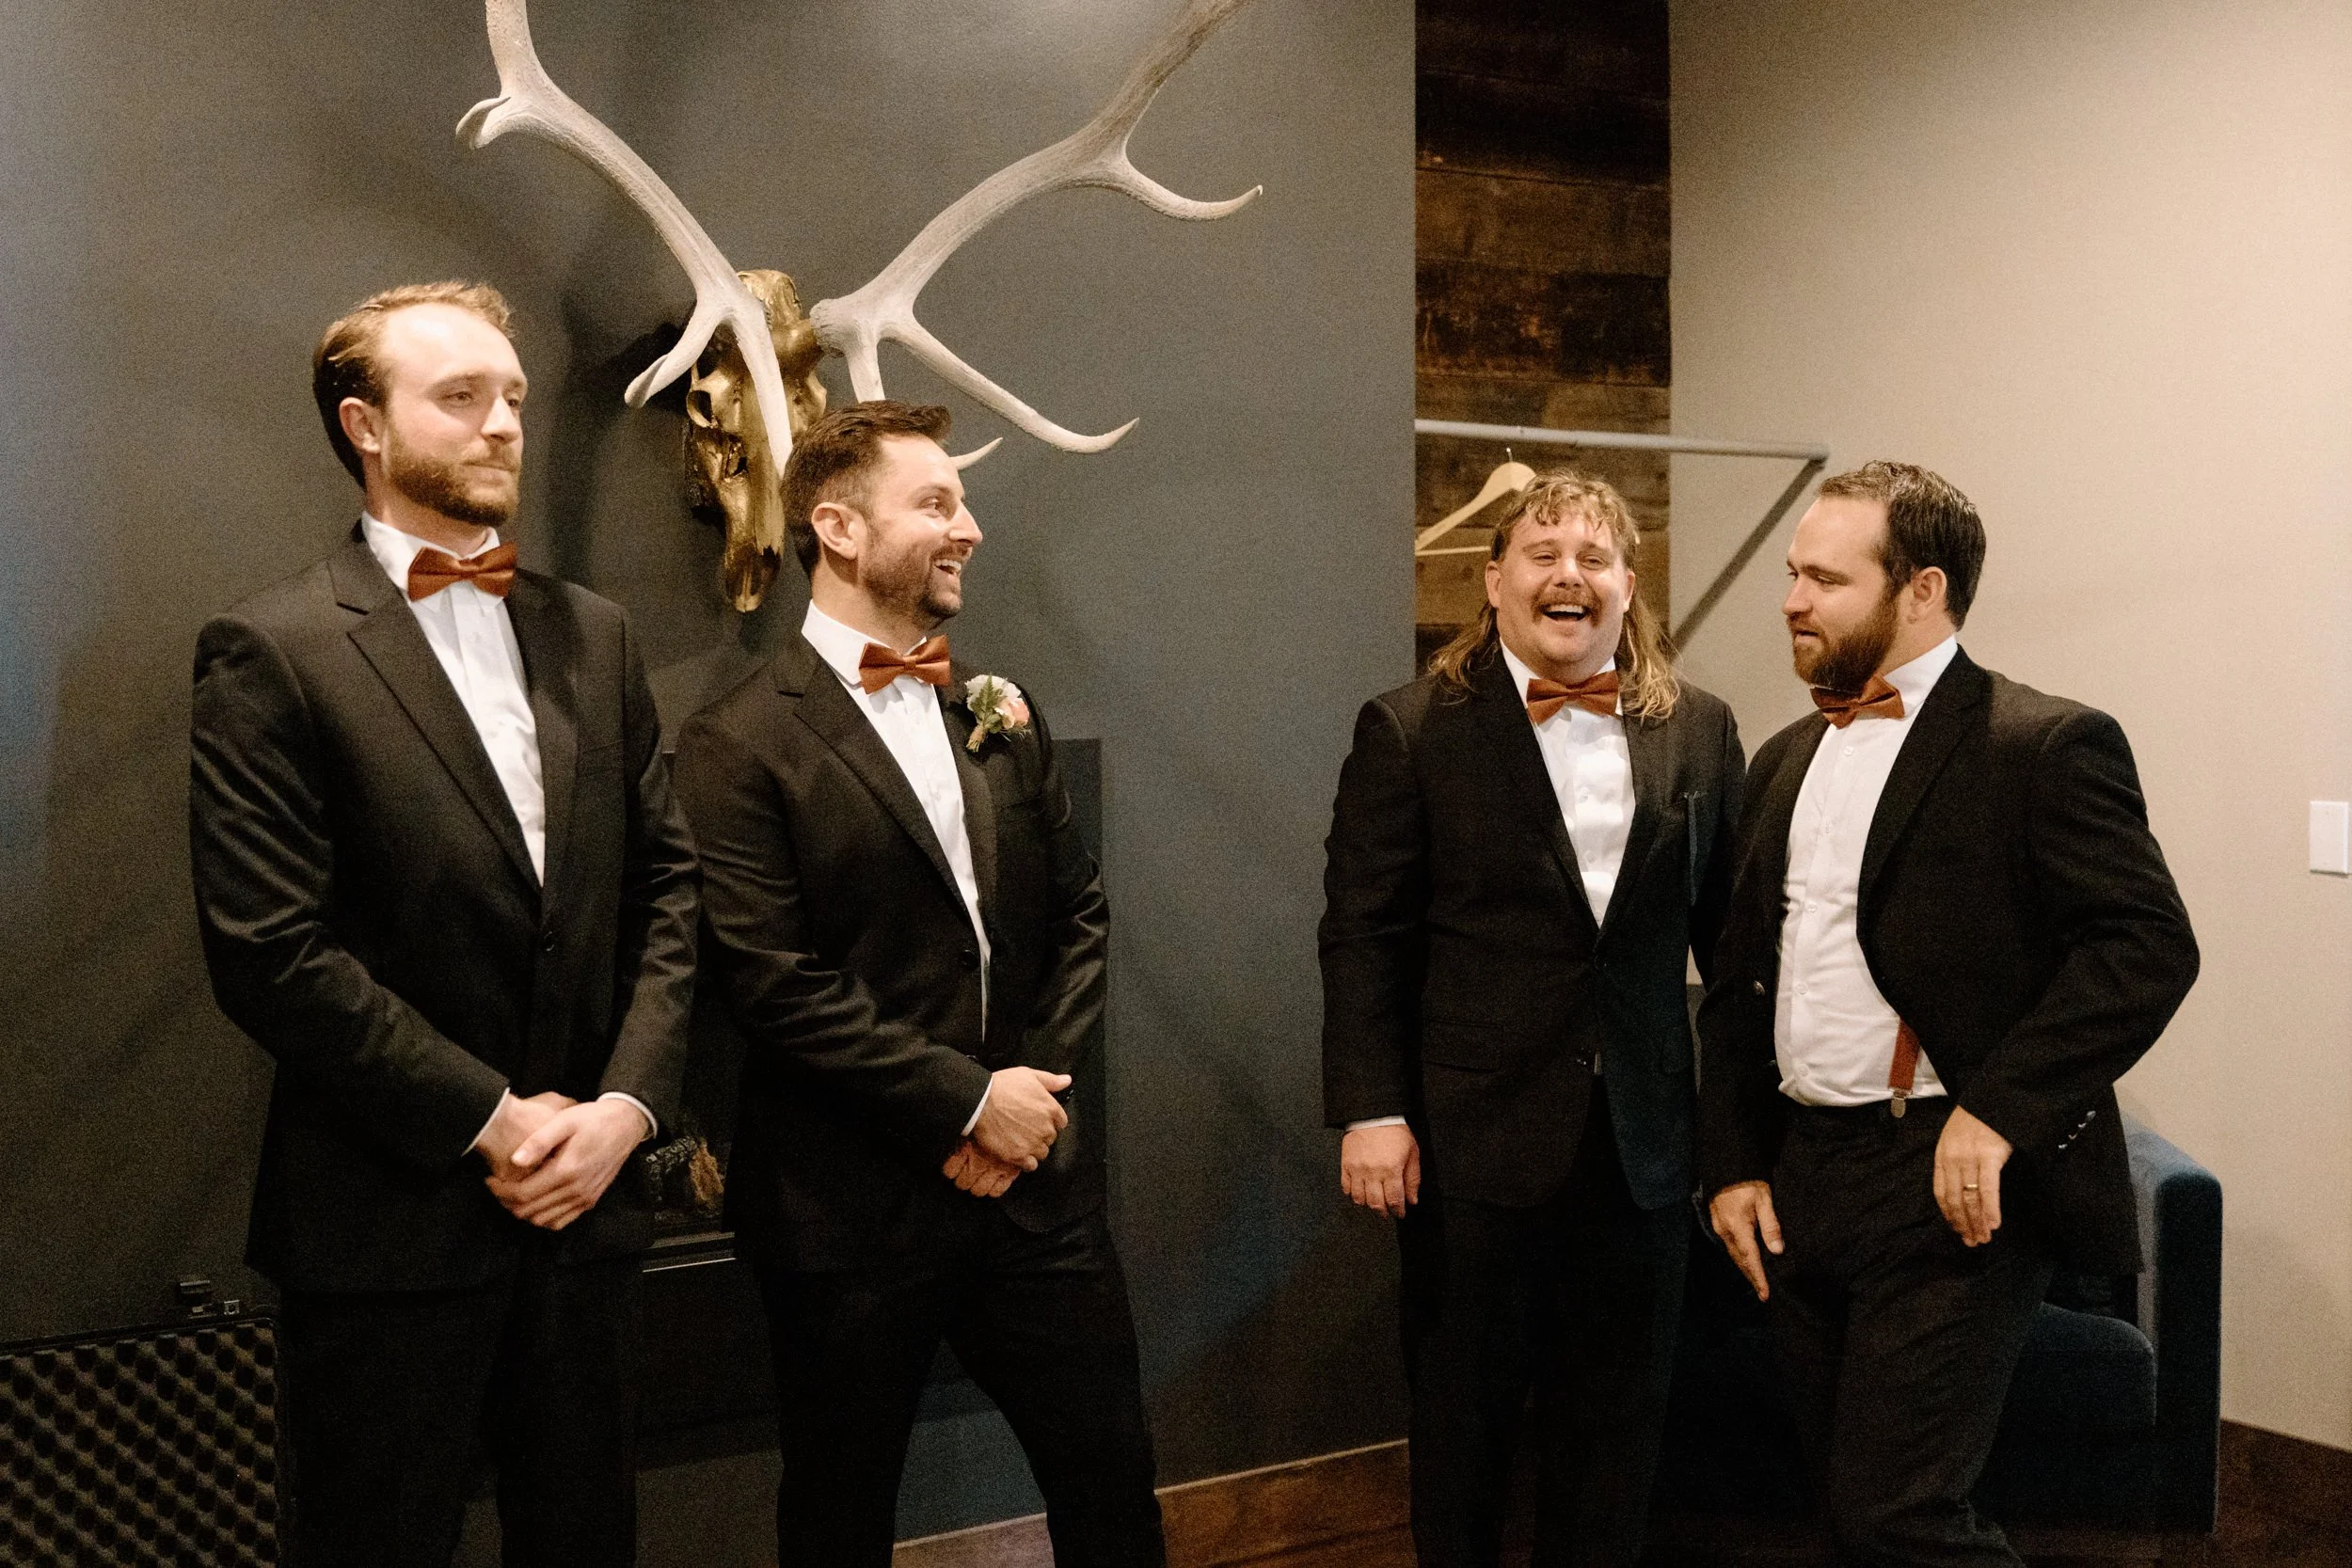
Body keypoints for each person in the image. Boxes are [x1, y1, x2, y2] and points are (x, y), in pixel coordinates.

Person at [188, 281, 698, 1568]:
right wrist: (492, 1115)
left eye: (513, 397)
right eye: (461, 397)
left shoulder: (596, 633)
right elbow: (272, 951)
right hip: (388, 1224)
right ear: (365, 424)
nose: (504, 426)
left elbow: (671, 894)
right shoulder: (273, 646)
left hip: (589, 1211)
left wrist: (628, 1107)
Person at [673, 401, 1162, 1567]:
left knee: (1113, 1485)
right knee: (839, 1512)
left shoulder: (999, 711)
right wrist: (963, 1099)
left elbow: (1079, 914)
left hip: (1034, 1188)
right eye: (937, 502)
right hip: (849, 1207)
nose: (970, 527)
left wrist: (1021, 1103)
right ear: (837, 527)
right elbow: (771, 981)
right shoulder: (735, 741)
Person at [1697, 461, 2198, 1567]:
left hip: (1945, 1180)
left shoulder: (2042, 745)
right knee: (1836, 1502)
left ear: (1920, 588)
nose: (1790, 598)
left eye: (1824, 577)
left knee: (1900, 1511)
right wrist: (1730, 1160)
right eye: (1791, 573)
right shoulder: (1785, 758)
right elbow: (1742, 981)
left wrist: (1996, 1111)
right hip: (1798, 1174)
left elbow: (2146, 946)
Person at [1320, 472, 1746, 1568]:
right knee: (1463, 1432)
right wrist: (1371, 1109)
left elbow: (1734, 944)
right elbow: (1364, 935)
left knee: (1616, 1439)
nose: (1570, 574)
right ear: (1493, 579)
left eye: (1595, 556)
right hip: (1469, 1145)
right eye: (1544, 551)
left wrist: (1735, 1139)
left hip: (1645, 1149)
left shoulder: (1701, 729)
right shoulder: (1409, 729)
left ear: (1628, 586)